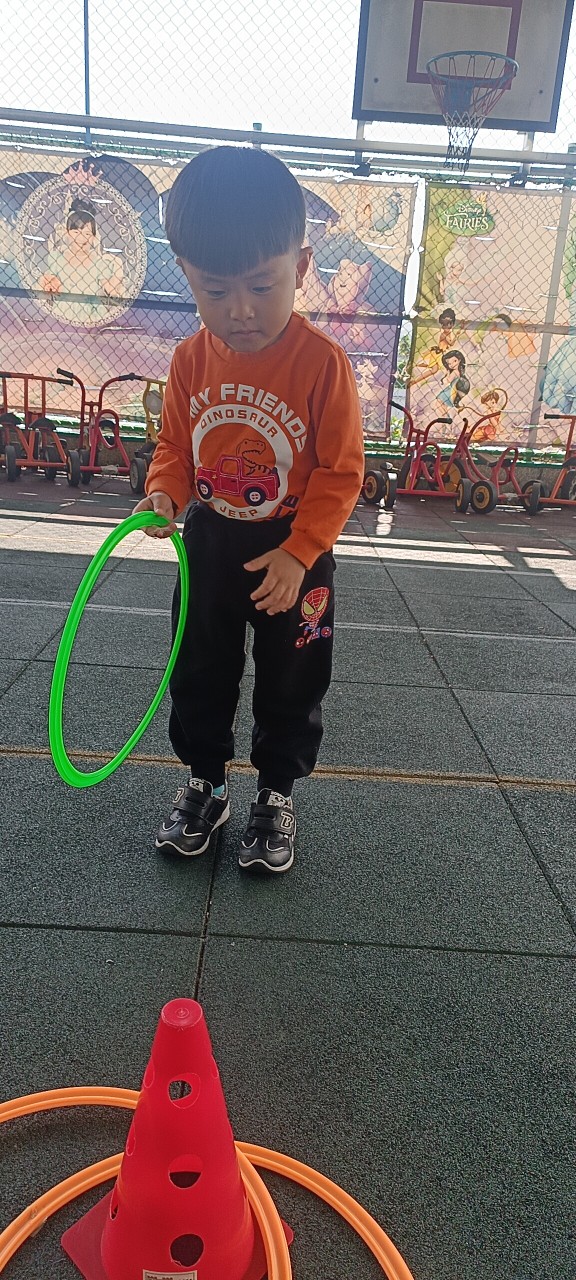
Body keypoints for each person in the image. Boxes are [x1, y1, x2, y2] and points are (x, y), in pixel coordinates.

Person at [133, 146, 365, 874]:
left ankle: (275, 793)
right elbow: (177, 445)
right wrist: (165, 494)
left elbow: (341, 471)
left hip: (294, 550)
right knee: (198, 665)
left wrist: (300, 552)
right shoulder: (189, 360)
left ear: (301, 267)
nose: (240, 310)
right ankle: (206, 782)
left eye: (262, 286)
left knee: (293, 675)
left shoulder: (322, 364)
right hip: (210, 542)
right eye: (215, 289)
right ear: (187, 275)